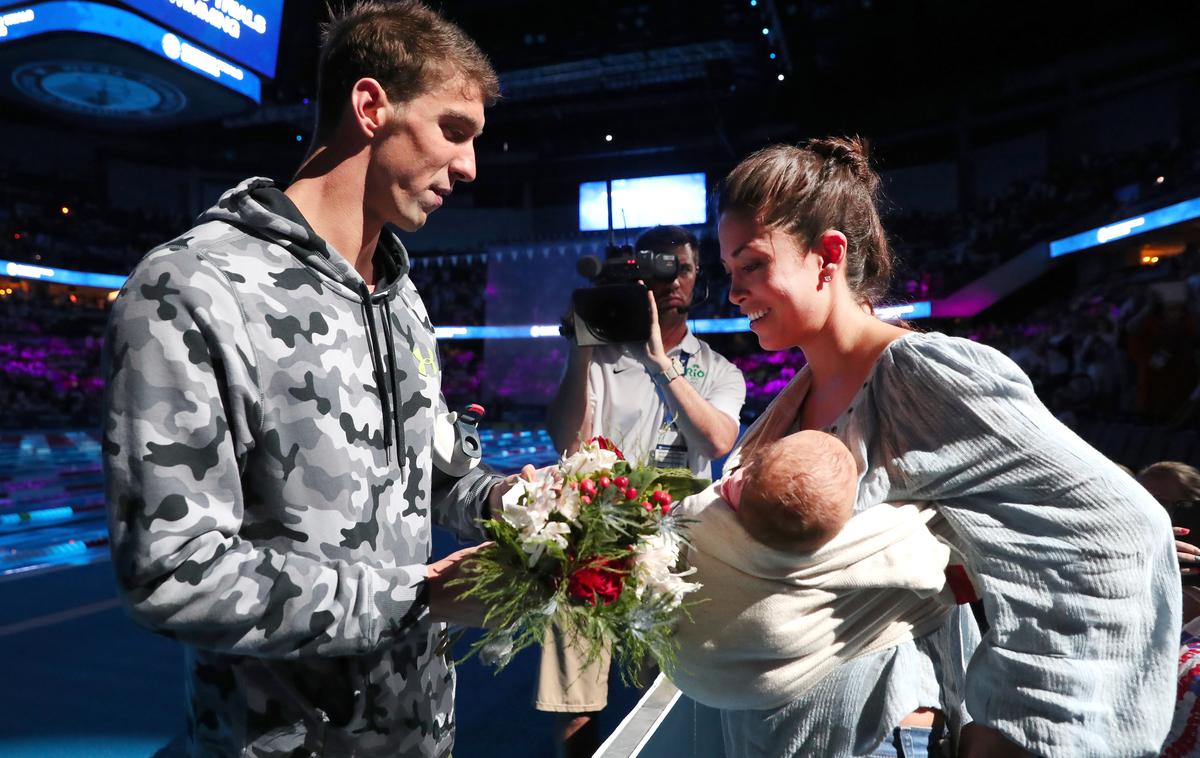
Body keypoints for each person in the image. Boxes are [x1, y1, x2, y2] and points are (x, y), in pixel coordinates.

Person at [102, 3, 510, 755]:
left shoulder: (404, 299)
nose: (470, 167)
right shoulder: (194, 287)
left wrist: (534, 504)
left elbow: (440, 475)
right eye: (454, 130)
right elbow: (173, 572)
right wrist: (414, 595)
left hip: (422, 735)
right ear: (369, 107)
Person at [712, 137, 1178, 757]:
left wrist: (1014, 723)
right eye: (728, 272)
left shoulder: (917, 376)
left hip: (881, 737)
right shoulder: (782, 409)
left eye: (752, 265)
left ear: (826, 256)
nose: (734, 293)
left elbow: (1118, 530)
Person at [540, 224, 746, 757]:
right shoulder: (602, 361)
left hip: (675, 550)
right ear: (635, 276)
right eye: (659, 266)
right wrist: (581, 348)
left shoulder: (718, 370)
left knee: (659, 694)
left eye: (682, 267)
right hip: (591, 543)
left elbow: (718, 440)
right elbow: (568, 440)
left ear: (698, 278)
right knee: (576, 701)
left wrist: (661, 365)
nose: (672, 278)